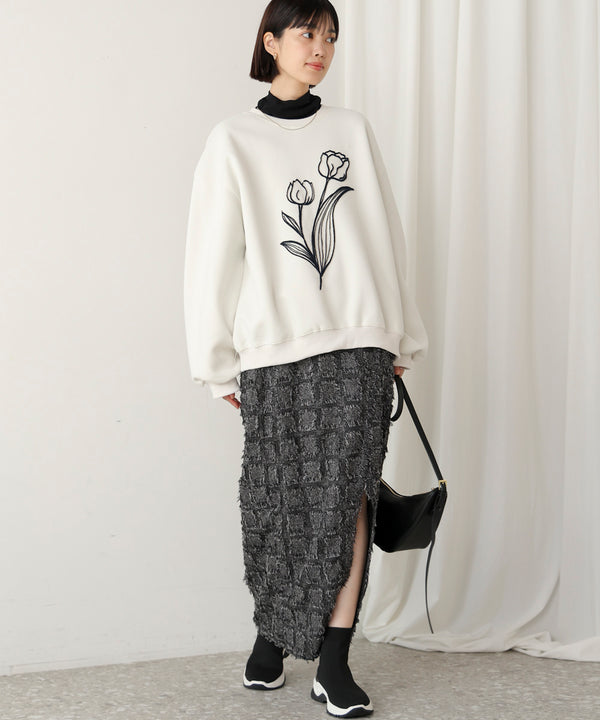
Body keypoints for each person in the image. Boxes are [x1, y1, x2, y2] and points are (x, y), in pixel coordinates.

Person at [183, 0, 428, 716]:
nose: (320, 47)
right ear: (271, 42)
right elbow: (211, 258)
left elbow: (385, 234)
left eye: (330, 37)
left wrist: (399, 334)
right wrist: (216, 361)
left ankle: (334, 659)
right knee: (278, 499)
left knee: (348, 495)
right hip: (274, 349)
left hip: (356, 343)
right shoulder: (233, 139)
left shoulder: (351, 130)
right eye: (306, 33)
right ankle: (273, 632)